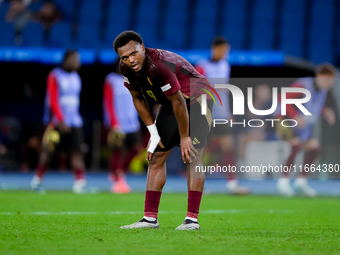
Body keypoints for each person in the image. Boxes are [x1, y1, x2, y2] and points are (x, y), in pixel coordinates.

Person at [114, 30, 213, 230]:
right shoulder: (126, 69)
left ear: (142, 47)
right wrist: (153, 131)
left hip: (198, 100)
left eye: (134, 53)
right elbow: (137, 98)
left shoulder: (158, 65)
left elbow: (179, 103)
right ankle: (150, 219)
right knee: (156, 157)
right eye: (124, 57)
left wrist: (185, 136)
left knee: (192, 156)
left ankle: (192, 220)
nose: (130, 60)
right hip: (172, 103)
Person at [30, 49, 90, 194]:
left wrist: (72, 118)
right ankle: (37, 180)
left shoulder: (76, 77)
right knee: (49, 151)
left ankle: (80, 183)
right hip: (57, 121)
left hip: (74, 121)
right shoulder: (55, 75)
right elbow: (52, 100)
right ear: (66, 60)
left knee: (77, 151)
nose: (77, 63)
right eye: (74, 60)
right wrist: (60, 120)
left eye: (78, 60)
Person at [195, 36, 249, 195]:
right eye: (223, 50)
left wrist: (228, 111)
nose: (225, 53)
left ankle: (232, 184)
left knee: (228, 147)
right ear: (215, 49)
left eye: (227, 50)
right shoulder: (202, 66)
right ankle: (197, 184)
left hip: (222, 114)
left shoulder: (226, 65)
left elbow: (224, 90)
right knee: (202, 149)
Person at [277, 63, 337, 197]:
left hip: (301, 125)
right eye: (329, 78)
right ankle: (283, 181)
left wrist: (325, 111)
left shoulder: (323, 91)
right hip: (284, 119)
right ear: (320, 76)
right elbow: (282, 98)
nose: (331, 82)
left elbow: (313, 106)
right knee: (296, 145)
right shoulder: (303, 85)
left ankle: (301, 181)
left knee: (315, 148)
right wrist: (295, 116)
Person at [103, 58, 143, 193]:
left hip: (132, 122)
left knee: (137, 149)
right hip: (118, 123)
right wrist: (114, 123)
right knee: (118, 151)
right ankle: (118, 178)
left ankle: (119, 173)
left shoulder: (133, 78)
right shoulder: (111, 80)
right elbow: (108, 103)